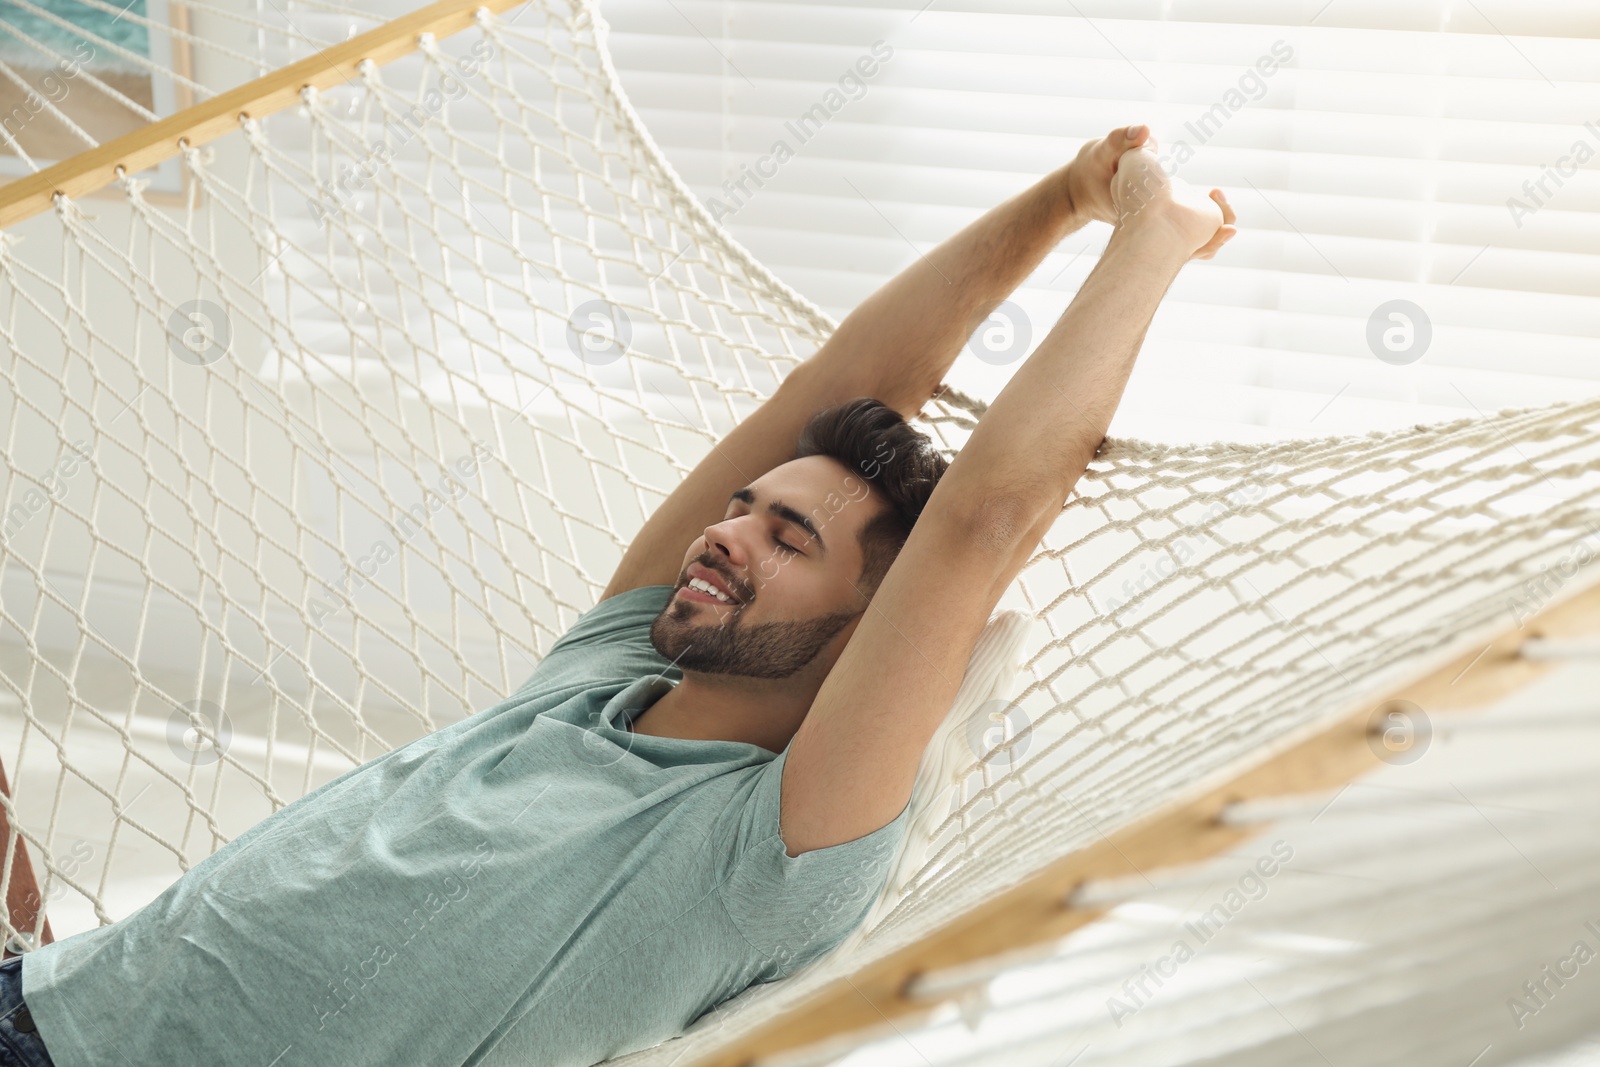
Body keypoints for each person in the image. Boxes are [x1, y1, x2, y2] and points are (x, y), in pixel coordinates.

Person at [12, 126, 1233, 1067]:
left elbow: (984, 524)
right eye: (743, 505)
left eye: (787, 534)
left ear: (872, 624)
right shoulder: (605, 672)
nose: (724, 531)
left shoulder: (765, 844)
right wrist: (1060, 197)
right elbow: (844, 382)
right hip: (55, 993)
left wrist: (1149, 233)